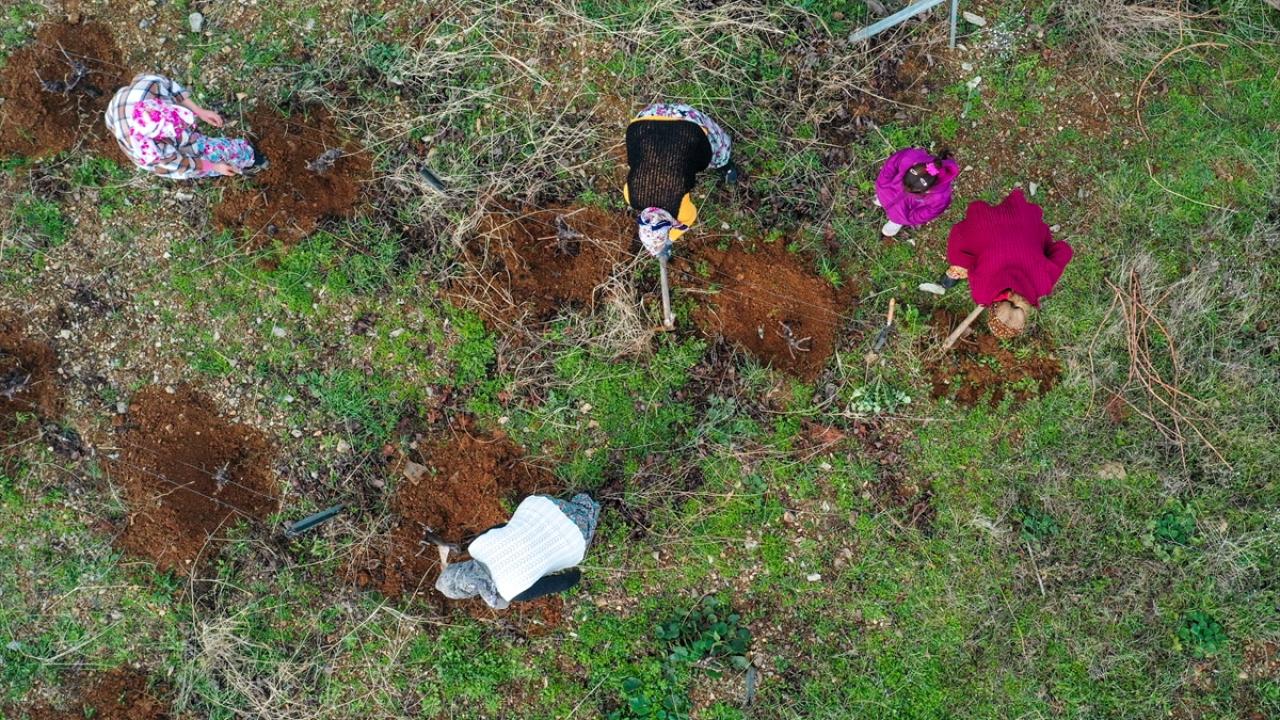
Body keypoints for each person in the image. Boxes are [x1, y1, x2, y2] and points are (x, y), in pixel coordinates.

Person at [921, 189, 1074, 338]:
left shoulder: (1044, 284)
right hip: (985, 223)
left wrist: (1038, 251)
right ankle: (954, 273)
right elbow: (974, 269)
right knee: (958, 259)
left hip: (1024, 218)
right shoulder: (982, 293)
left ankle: (959, 270)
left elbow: (1064, 250)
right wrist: (967, 268)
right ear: (992, 309)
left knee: (978, 257)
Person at [435, 493, 600, 609]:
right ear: (460, 567)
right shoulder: (476, 545)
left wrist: (576, 575)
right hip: (543, 506)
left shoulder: (511, 591)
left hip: (574, 536)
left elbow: (564, 582)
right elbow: (503, 527)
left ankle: (586, 511)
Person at [624, 103, 737, 257]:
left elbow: (687, 221)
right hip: (646, 120)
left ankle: (725, 165)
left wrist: (669, 241)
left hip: (687, 123)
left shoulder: (679, 208)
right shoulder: (630, 197)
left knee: (717, 149)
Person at [104, 74, 267, 180]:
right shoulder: (155, 151)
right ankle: (250, 158)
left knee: (192, 138)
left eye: (177, 119)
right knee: (211, 154)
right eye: (176, 129)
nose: (182, 124)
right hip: (159, 155)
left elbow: (170, 87)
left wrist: (199, 111)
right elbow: (183, 164)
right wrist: (214, 166)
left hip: (118, 111)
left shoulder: (149, 86)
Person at [873, 147, 960, 240]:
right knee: (881, 199)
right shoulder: (909, 158)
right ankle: (882, 200)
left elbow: (929, 212)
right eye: (904, 182)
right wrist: (882, 186)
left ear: (927, 190)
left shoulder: (940, 197)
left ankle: (896, 222)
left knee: (896, 219)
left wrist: (906, 218)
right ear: (911, 168)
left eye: (913, 191)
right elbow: (891, 165)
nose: (906, 189)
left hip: (902, 213)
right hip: (887, 192)